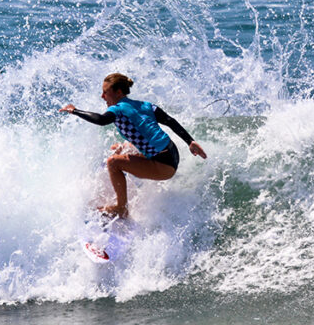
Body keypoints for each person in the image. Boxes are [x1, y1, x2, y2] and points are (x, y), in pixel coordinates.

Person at [59, 73, 207, 219]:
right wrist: (190, 142)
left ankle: (121, 208)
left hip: (164, 165)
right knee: (120, 147)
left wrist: (75, 110)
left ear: (118, 92)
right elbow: (170, 120)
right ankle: (129, 183)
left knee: (113, 162)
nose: (102, 97)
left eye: (105, 92)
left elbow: (101, 120)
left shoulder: (117, 109)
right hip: (171, 152)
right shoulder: (146, 105)